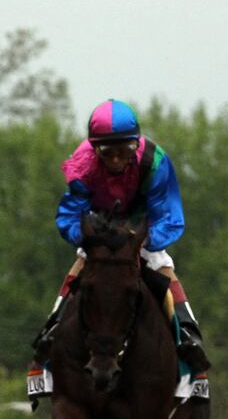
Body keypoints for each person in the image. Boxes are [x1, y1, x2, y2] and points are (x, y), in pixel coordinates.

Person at [31, 99, 210, 382]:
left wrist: (142, 240)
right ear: (94, 149)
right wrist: (88, 237)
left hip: (143, 230)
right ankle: (50, 334)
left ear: (135, 145)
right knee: (81, 265)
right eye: (107, 152)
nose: (115, 159)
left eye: (123, 151)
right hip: (100, 228)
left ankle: (189, 336)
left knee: (162, 265)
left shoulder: (155, 161)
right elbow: (69, 214)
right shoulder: (82, 163)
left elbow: (170, 217)